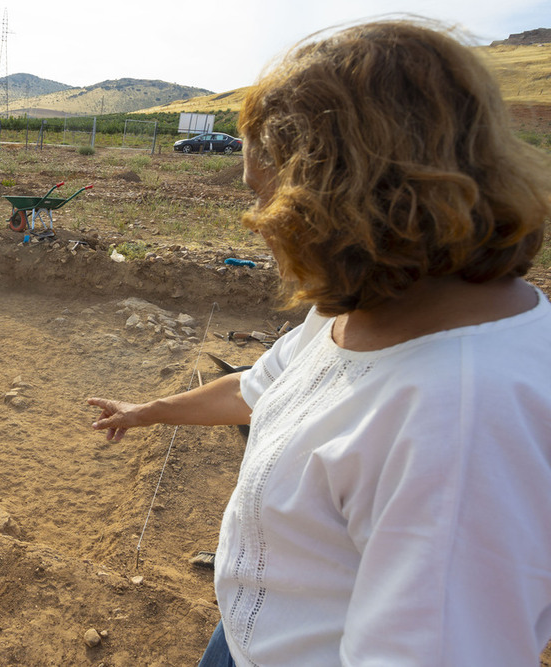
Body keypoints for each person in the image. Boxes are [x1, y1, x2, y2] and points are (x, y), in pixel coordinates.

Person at [88, 20, 551, 667]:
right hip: (244, 637)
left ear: (339, 195)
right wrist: (147, 411)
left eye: (264, 199)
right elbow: (257, 386)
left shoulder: (464, 421)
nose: (259, 227)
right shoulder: (362, 306)